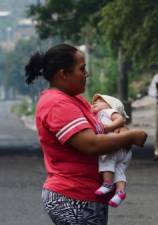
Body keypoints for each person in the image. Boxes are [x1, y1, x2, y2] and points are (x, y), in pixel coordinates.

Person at [25, 43, 147, 225]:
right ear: (63, 74)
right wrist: (130, 136)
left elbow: (101, 128)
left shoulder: (73, 99)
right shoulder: (57, 104)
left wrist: (120, 129)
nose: (86, 74)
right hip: (73, 196)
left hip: (85, 196)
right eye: (82, 69)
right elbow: (91, 144)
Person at [91, 93, 132, 208]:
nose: (95, 103)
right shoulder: (97, 116)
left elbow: (120, 120)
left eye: (100, 101)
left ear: (111, 106)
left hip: (114, 146)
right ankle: (120, 192)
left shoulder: (107, 112)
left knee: (106, 158)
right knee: (118, 171)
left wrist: (108, 128)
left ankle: (107, 183)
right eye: (94, 102)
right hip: (124, 151)